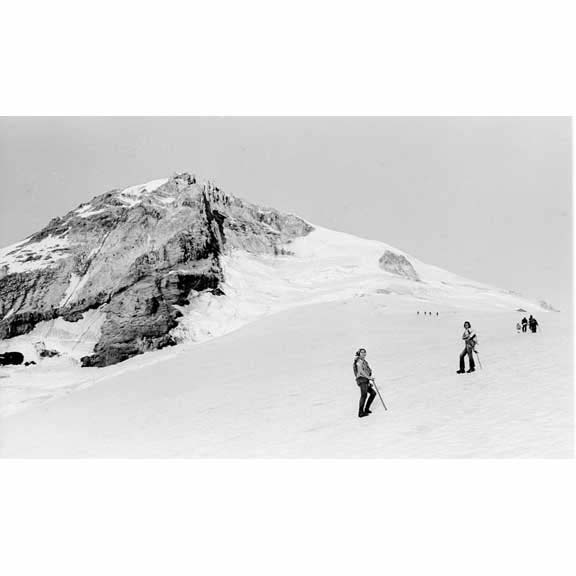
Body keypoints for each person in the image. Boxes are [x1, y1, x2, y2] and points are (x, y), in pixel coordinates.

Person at [353, 348, 376, 418]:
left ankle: (366, 409)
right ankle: (360, 412)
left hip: (365, 380)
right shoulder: (358, 361)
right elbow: (361, 371)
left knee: (373, 393)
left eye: (364, 352)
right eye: (362, 352)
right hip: (361, 380)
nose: (363, 353)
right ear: (359, 353)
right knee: (364, 395)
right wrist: (369, 378)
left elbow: (366, 370)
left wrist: (369, 379)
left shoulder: (364, 361)